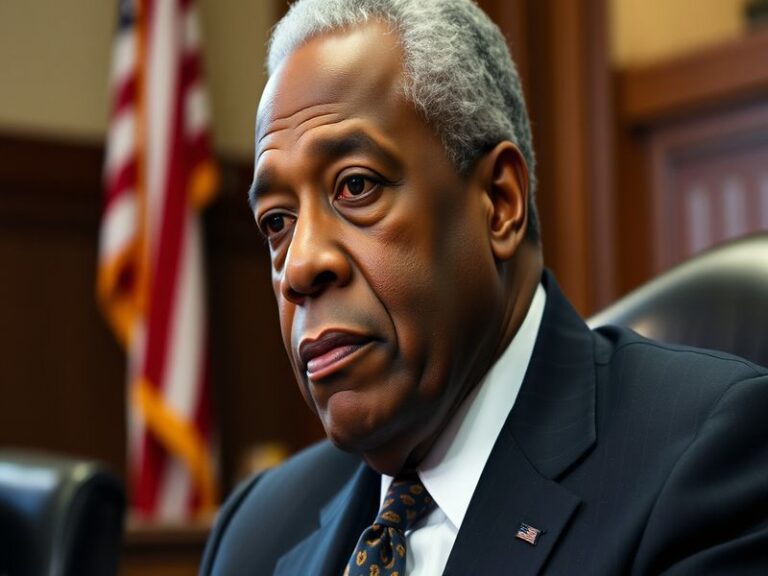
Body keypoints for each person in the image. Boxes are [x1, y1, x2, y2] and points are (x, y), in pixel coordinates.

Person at [200, 1, 768, 574]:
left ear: (499, 202)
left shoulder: (704, 463)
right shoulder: (254, 533)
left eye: (356, 186)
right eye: (277, 222)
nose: (300, 266)